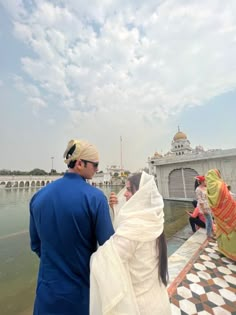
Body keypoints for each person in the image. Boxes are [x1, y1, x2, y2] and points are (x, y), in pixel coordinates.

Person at [29, 139, 114, 315]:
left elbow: (36, 245)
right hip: (80, 297)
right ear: (80, 164)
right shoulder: (95, 198)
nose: (97, 169)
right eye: (95, 165)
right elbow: (109, 249)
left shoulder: (38, 197)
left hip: (46, 296)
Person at [90, 172, 172, 315]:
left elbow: (106, 262)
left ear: (139, 194)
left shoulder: (133, 230)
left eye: (129, 190)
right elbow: (127, 234)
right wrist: (115, 209)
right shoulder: (154, 219)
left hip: (140, 306)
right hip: (158, 300)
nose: (124, 194)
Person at [206, 169, 236, 261]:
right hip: (227, 213)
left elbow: (211, 202)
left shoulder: (209, 187)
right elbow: (227, 198)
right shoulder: (221, 185)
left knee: (221, 230)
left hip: (218, 215)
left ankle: (222, 251)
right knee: (231, 231)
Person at [195, 175, 214, 240]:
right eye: (205, 181)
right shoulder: (198, 189)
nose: (206, 182)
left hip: (208, 206)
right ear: (202, 181)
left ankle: (210, 234)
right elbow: (200, 200)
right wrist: (203, 209)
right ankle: (208, 235)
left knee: (209, 220)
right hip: (203, 207)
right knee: (209, 221)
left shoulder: (205, 188)